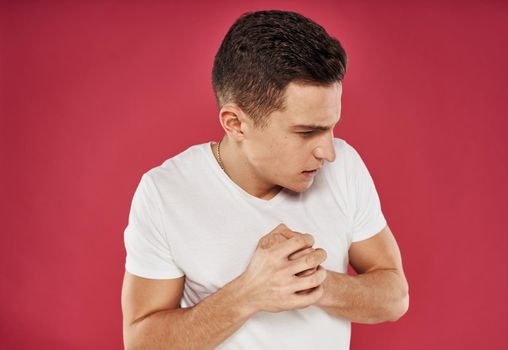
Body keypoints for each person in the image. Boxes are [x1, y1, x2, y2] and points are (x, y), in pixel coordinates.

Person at [121, 9, 409, 350]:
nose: (328, 153)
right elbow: (141, 343)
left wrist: (314, 282)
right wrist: (248, 294)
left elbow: (394, 297)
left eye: (332, 127)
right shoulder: (165, 193)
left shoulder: (344, 166)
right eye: (306, 132)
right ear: (235, 123)